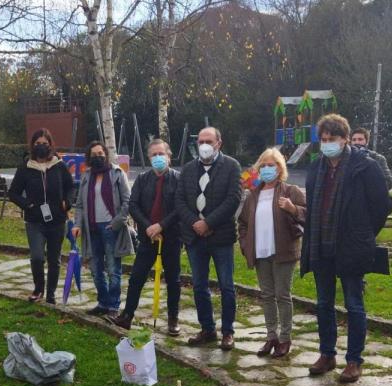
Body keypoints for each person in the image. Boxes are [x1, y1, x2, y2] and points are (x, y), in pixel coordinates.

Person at [300, 114, 392, 383]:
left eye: (332, 139)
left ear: (345, 138)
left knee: (354, 305)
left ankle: (354, 360)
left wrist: (364, 234)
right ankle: (327, 354)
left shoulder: (365, 166)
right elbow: (313, 203)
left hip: (351, 247)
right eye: (323, 140)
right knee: (324, 304)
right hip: (321, 244)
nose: (327, 144)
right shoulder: (317, 167)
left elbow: (383, 205)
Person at [175, 127, 244, 350]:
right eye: (201, 141)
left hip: (221, 237)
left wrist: (209, 223)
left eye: (208, 141)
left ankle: (228, 332)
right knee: (199, 286)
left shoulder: (232, 166)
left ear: (219, 143)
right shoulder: (187, 169)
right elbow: (180, 201)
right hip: (195, 238)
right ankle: (207, 328)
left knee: (226, 285)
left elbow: (233, 199)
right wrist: (196, 223)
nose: (204, 145)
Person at [237, 147, 306, 358]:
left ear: (280, 168)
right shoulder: (253, 195)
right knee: (267, 295)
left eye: (272, 165)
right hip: (260, 252)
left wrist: (293, 208)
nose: (267, 169)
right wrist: (244, 243)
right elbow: (243, 223)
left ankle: (285, 338)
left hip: (283, 251)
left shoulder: (290, 191)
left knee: (282, 295)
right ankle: (271, 336)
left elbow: (307, 214)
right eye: (264, 165)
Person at [109, 139, 182, 335]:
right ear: (149, 158)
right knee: (136, 278)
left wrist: (161, 226)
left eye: (161, 154)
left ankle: (173, 319)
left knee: (173, 280)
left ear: (169, 156)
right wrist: (149, 227)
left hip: (171, 238)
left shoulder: (178, 179)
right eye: (153, 155)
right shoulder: (142, 179)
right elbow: (133, 205)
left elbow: (180, 208)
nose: (158, 158)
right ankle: (127, 316)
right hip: (147, 238)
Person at [7, 128, 76, 304]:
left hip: (57, 220)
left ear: (50, 145)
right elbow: (13, 193)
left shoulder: (59, 166)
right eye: (38, 144)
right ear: (32, 145)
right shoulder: (25, 168)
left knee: (54, 259)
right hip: (34, 221)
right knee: (37, 257)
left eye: (45, 144)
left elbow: (71, 187)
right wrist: (27, 205)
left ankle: (51, 293)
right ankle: (39, 289)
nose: (41, 147)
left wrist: (67, 202)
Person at [72, 141, 134, 315]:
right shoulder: (86, 176)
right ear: (89, 157)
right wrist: (77, 224)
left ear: (106, 154)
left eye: (101, 153)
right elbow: (79, 204)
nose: (98, 156)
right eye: (94, 154)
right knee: (95, 269)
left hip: (111, 229)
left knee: (114, 269)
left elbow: (128, 201)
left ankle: (113, 305)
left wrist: (116, 223)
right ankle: (103, 302)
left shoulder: (117, 173)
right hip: (91, 230)